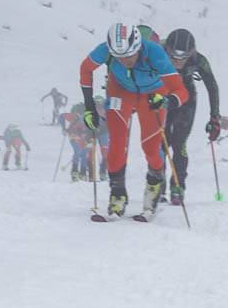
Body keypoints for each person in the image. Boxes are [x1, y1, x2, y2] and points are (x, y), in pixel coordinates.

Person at [78, 22, 187, 218]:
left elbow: (181, 91)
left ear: (138, 46)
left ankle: (153, 187)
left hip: (153, 93)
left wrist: (165, 101)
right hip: (120, 90)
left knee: (151, 147)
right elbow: (85, 69)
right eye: (119, 57)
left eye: (130, 54)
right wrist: (89, 107)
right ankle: (117, 194)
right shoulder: (105, 50)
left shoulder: (154, 52)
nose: (125, 60)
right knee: (117, 144)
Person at [159, 28, 220, 208]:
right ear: (167, 49)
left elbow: (212, 87)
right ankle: (158, 184)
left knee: (179, 143)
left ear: (191, 53)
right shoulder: (157, 53)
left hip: (186, 99)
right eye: (173, 57)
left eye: (183, 57)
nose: (178, 62)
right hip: (163, 97)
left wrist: (214, 117)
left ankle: (178, 187)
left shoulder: (199, 60)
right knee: (161, 142)